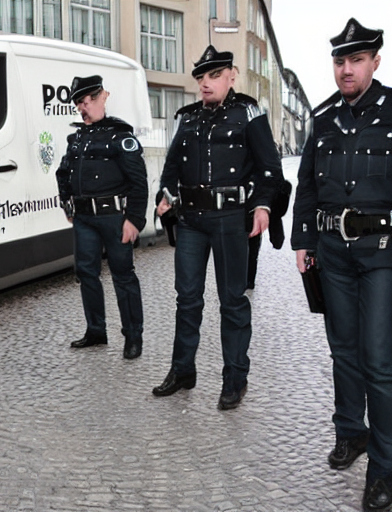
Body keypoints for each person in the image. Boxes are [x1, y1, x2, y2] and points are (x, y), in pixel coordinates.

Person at [292, 18, 392, 512]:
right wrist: (303, 240)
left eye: (356, 60)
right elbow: (308, 183)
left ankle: (384, 468)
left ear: (376, 60)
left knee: (378, 359)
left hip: (381, 254)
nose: (346, 69)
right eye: (340, 61)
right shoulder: (324, 116)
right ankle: (351, 432)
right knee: (343, 351)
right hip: (332, 254)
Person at [152, 46, 284, 410]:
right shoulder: (188, 118)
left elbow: (270, 169)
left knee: (233, 301)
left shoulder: (249, 114)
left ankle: (235, 378)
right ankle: (183, 371)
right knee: (188, 298)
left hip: (229, 220)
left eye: (213, 76)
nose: (205, 84)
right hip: (192, 221)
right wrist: (165, 195)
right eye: (200, 78)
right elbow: (171, 166)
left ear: (231, 75)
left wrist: (261, 204)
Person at [56, 75, 148, 360]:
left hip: (114, 217)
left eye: (87, 101)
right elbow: (63, 173)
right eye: (79, 103)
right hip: (84, 219)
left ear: (102, 97)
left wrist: (134, 219)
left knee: (123, 276)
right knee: (86, 274)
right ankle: (96, 330)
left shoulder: (120, 136)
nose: (83, 108)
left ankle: (133, 336)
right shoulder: (77, 138)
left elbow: (139, 181)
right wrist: (67, 205)